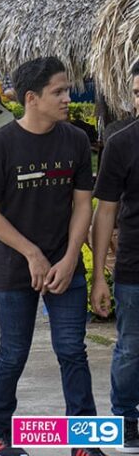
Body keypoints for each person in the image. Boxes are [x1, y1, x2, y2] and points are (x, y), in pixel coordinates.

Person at [0, 56, 104, 456]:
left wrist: (67, 259)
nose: (67, 98)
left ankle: (83, 442)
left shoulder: (76, 140)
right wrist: (31, 253)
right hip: (16, 269)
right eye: (58, 92)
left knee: (72, 351)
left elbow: (84, 205)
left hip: (66, 266)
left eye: (67, 90)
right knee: (13, 352)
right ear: (32, 98)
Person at [90, 59, 139, 453]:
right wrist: (99, 275)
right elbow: (104, 210)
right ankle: (124, 420)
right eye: (137, 94)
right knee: (131, 347)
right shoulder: (122, 142)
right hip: (134, 267)